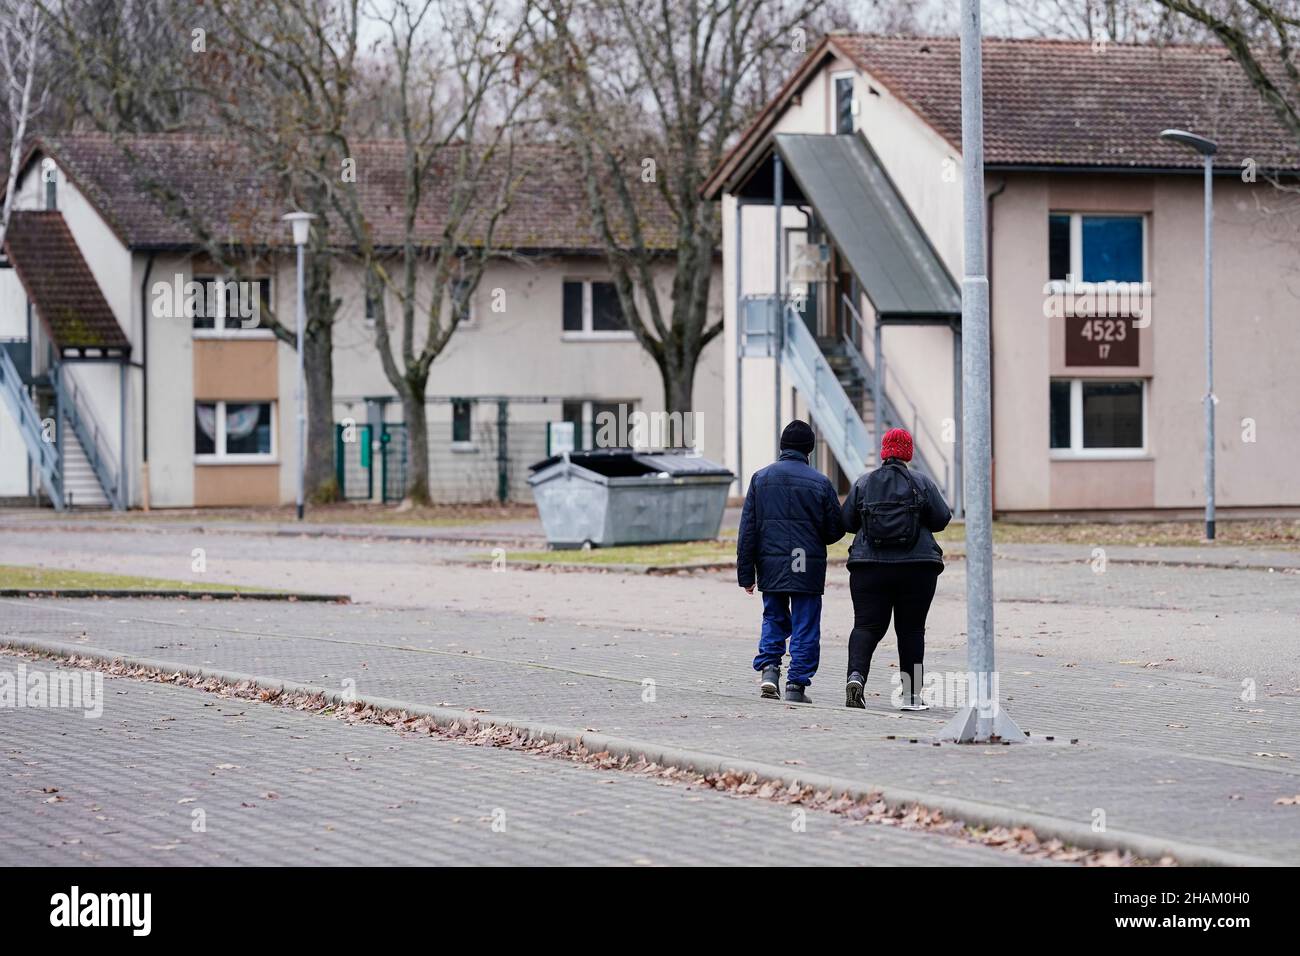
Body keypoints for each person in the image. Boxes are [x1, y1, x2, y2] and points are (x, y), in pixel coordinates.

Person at [840, 428, 951, 710]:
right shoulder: (921, 482)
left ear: (884, 452)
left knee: (865, 626)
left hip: (869, 567)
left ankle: (856, 679)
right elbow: (941, 519)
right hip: (917, 567)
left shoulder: (864, 483)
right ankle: (912, 695)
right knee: (911, 630)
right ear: (907, 453)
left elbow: (847, 523)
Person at [736, 420, 845, 703]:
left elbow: (747, 530)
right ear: (809, 449)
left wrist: (746, 575)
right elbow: (835, 530)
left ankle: (770, 671)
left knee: (773, 616)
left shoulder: (760, 479)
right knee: (806, 622)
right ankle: (796, 685)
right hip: (807, 564)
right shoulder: (821, 482)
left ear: (782, 446)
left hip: (771, 565)